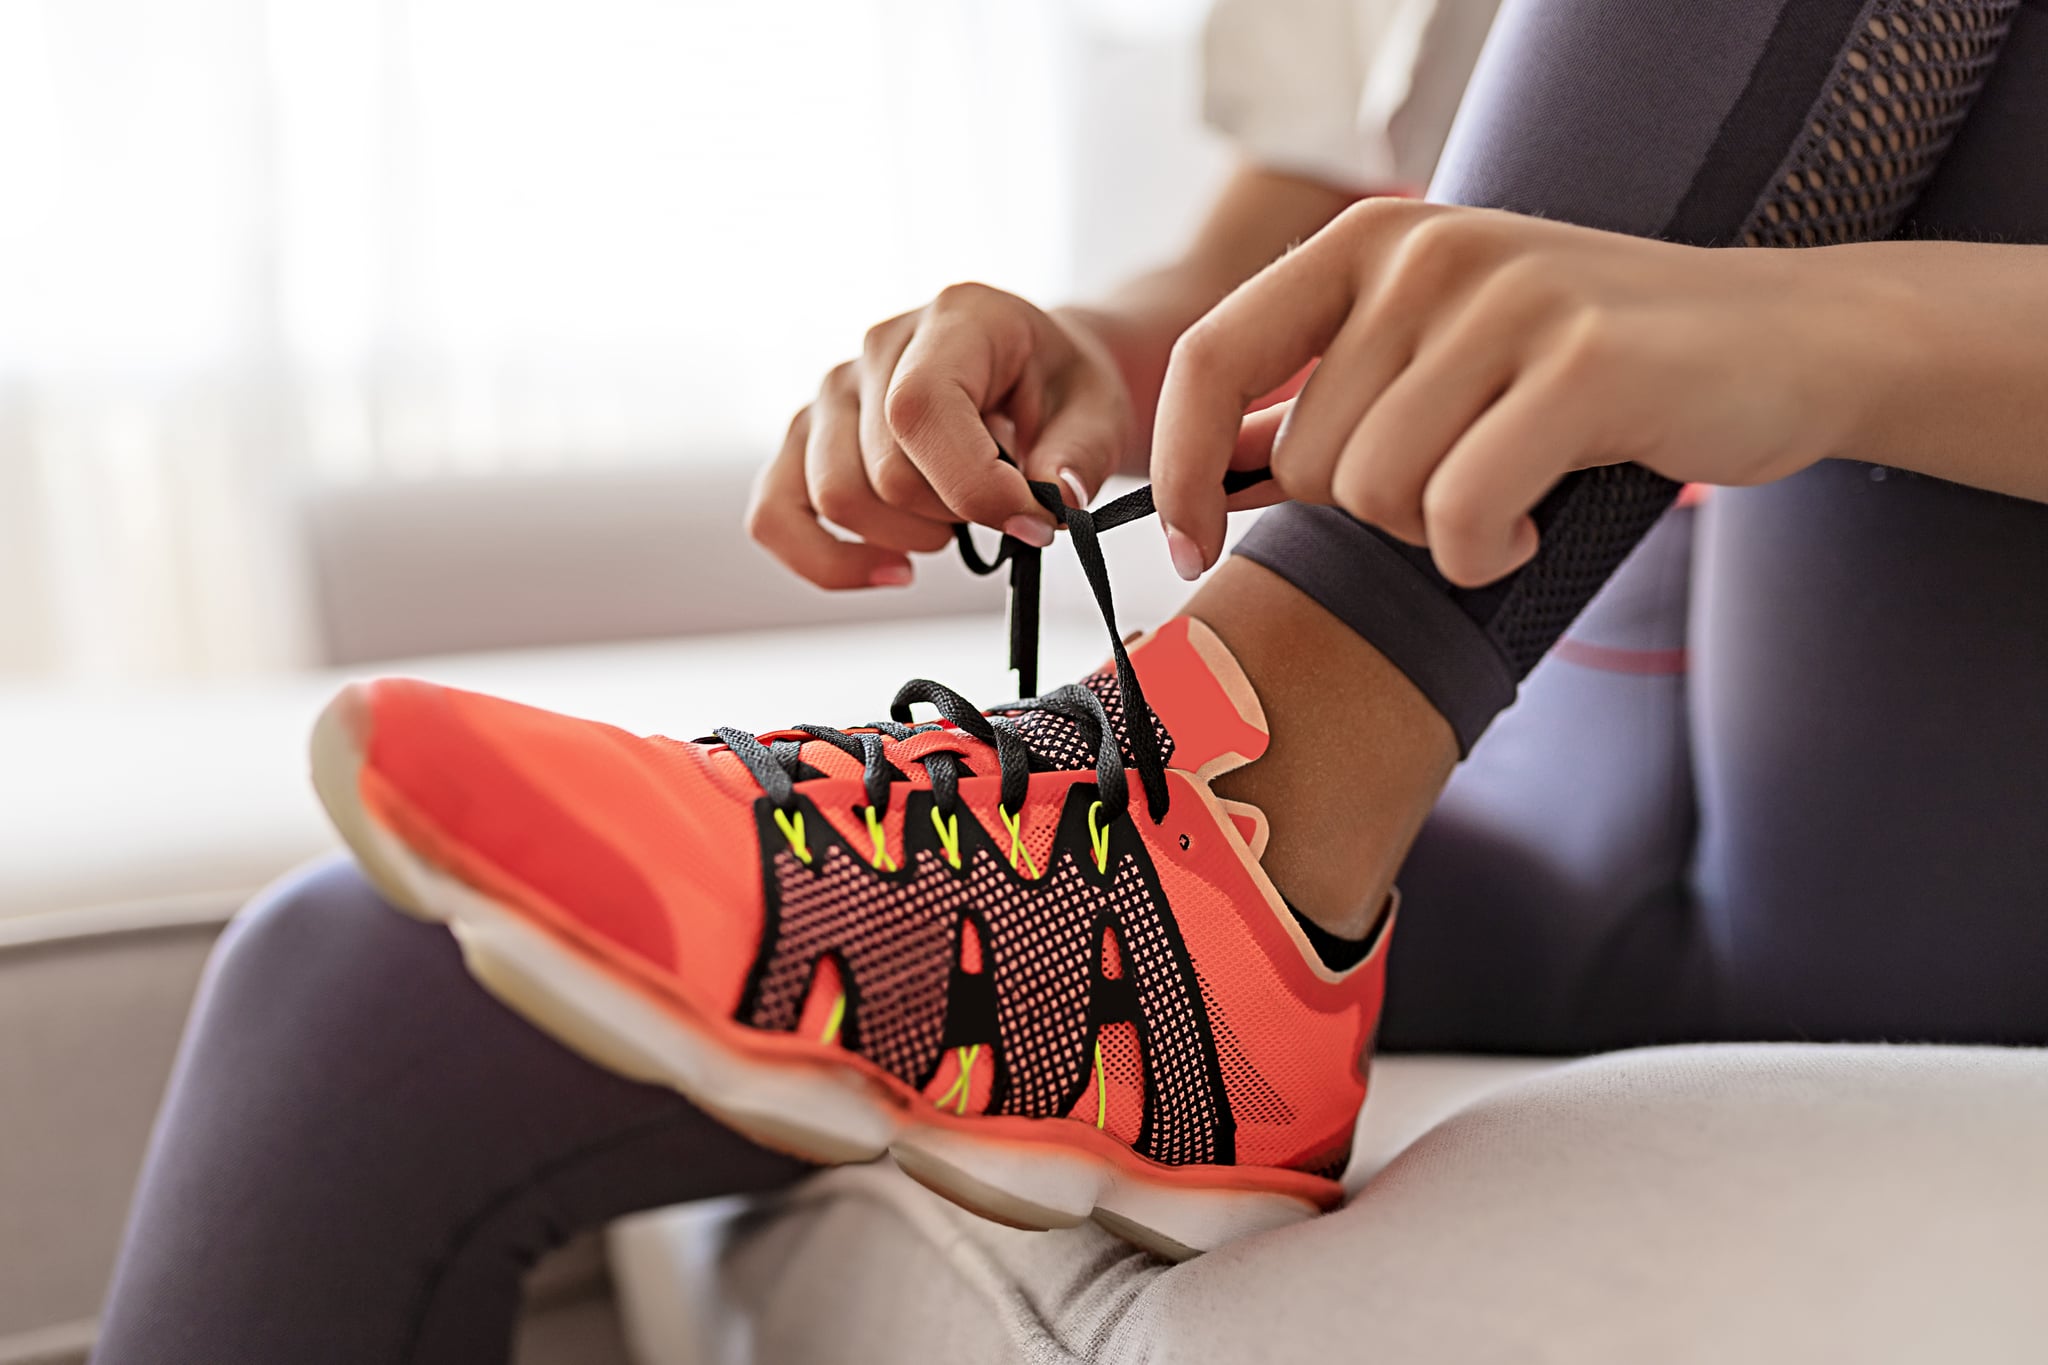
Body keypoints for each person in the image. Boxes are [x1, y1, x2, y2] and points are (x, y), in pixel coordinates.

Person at [96, 0, 2048, 1361]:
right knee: (369, 966)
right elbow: (1342, 211)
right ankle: (1205, 845)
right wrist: (1112, 352)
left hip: (1942, 780)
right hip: (1541, 791)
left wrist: (1831, 330)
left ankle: (1208, 828)